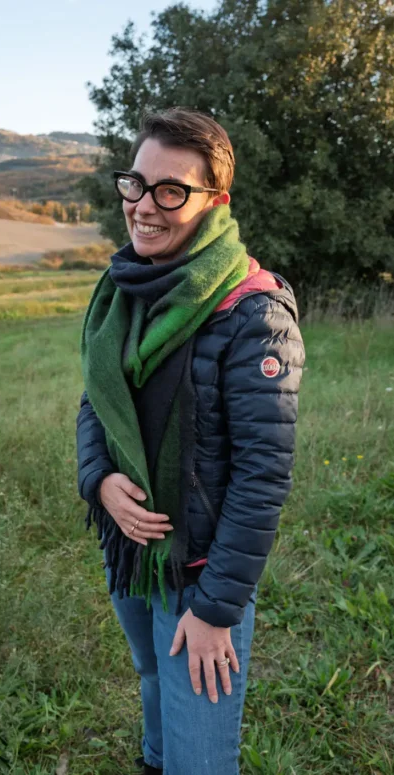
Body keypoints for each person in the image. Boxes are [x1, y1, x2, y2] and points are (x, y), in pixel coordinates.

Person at [76, 107, 305, 775]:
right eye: (135, 184)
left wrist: (213, 611)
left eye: (170, 190)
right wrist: (99, 478)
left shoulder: (254, 314)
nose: (144, 207)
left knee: (199, 757)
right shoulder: (124, 288)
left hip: (199, 574)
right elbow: (96, 397)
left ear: (215, 202)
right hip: (131, 548)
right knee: (151, 683)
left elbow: (262, 475)